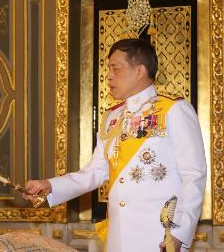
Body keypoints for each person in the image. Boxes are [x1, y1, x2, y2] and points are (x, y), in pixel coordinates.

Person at [24, 38, 207, 252]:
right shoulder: (112, 118)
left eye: (116, 69)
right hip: (118, 238)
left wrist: (179, 233)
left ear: (139, 70)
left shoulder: (174, 110)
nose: (109, 76)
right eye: (108, 69)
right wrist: (50, 185)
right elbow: (95, 173)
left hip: (160, 237)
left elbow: (194, 175)